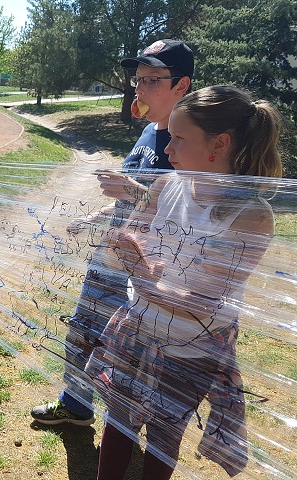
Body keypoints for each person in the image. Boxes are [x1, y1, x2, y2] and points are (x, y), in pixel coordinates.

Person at [87, 85, 283, 480]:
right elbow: (124, 242)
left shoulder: (251, 216)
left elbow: (200, 303)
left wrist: (142, 271)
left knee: (165, 431)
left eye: (179, 138)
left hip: (190, 346)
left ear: (219, 144)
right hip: (139, 325)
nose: (168, 148)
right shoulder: (167, 185)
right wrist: (124, 246)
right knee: (118, 417)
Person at [31, 39, 194, 427]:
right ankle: (75, 404)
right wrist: (95, 217)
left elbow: (187, 214)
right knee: (82, 331)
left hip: (145, 272)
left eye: (153, 80)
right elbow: (131, 199)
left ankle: (123, 425)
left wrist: (135, 193)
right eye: (138, 79)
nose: (140, 89)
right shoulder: (148, 133)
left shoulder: (188, 143)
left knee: (124, 349)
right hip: (109, 258)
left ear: (181, 85)